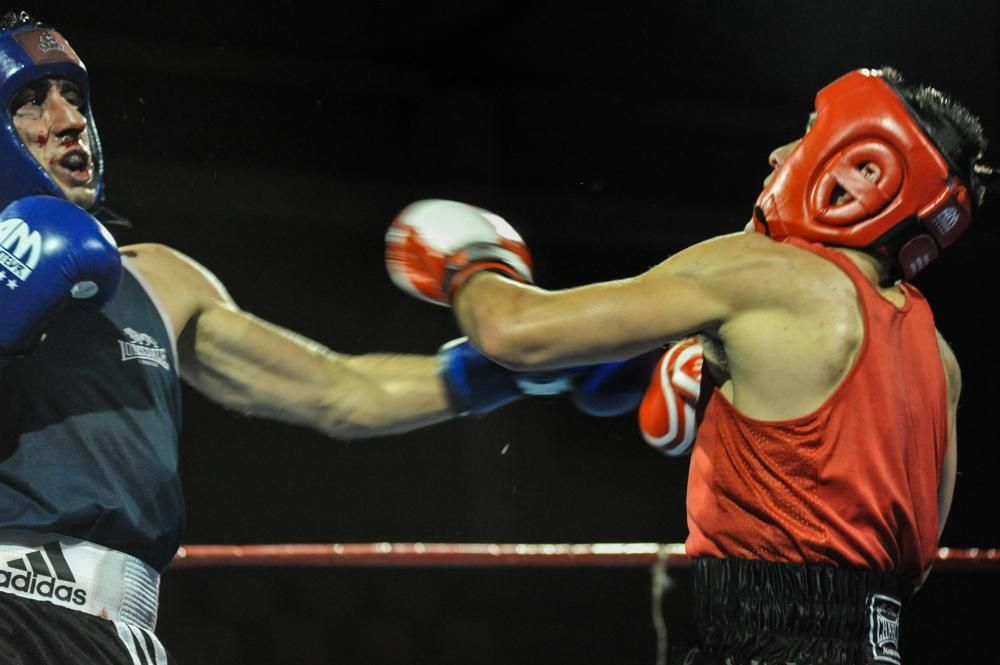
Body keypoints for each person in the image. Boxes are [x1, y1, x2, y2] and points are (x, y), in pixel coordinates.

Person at [0, 11, 662, 665]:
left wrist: (506, 370)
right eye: (31, 102)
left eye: (75, 96)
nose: (68, 119)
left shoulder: (160, 281)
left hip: (119, 634)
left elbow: (339, 391)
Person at [386, 67, 995, 664]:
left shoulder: (760, 272)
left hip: (759, 647)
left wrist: (469, 263)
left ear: (867, 170)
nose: (778, 156)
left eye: (808, 133)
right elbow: (914, 560)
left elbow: (513, 333)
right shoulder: (939, 358)